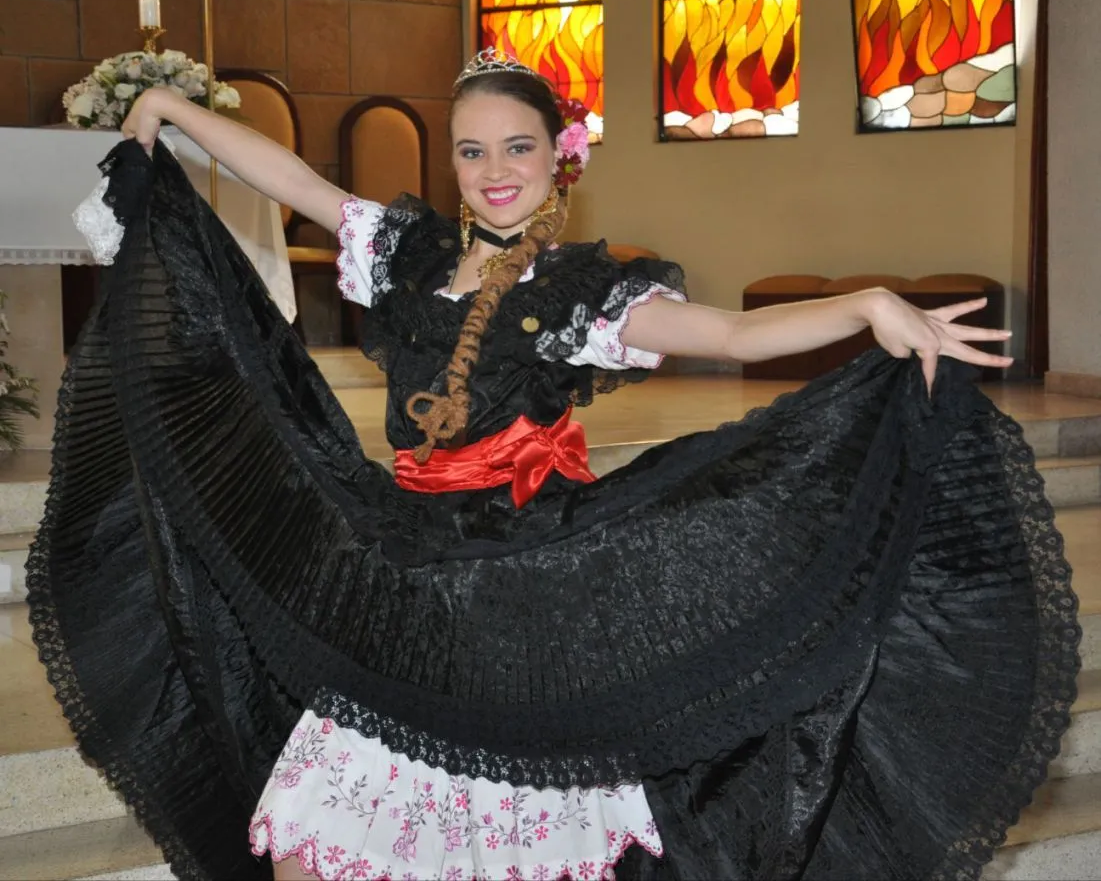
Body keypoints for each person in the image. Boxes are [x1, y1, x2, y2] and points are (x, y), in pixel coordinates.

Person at [27, 48, 1077, 881]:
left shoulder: (578, 292)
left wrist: (868, 306)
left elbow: (728, 332)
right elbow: (294, 177)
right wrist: (169, 108)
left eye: (516, 148)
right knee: (316, 831)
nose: (494, 173)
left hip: (528, 590)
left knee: (510, 832)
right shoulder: (407, 253)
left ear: (557, 155)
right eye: (473, 152)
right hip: (400, 576)